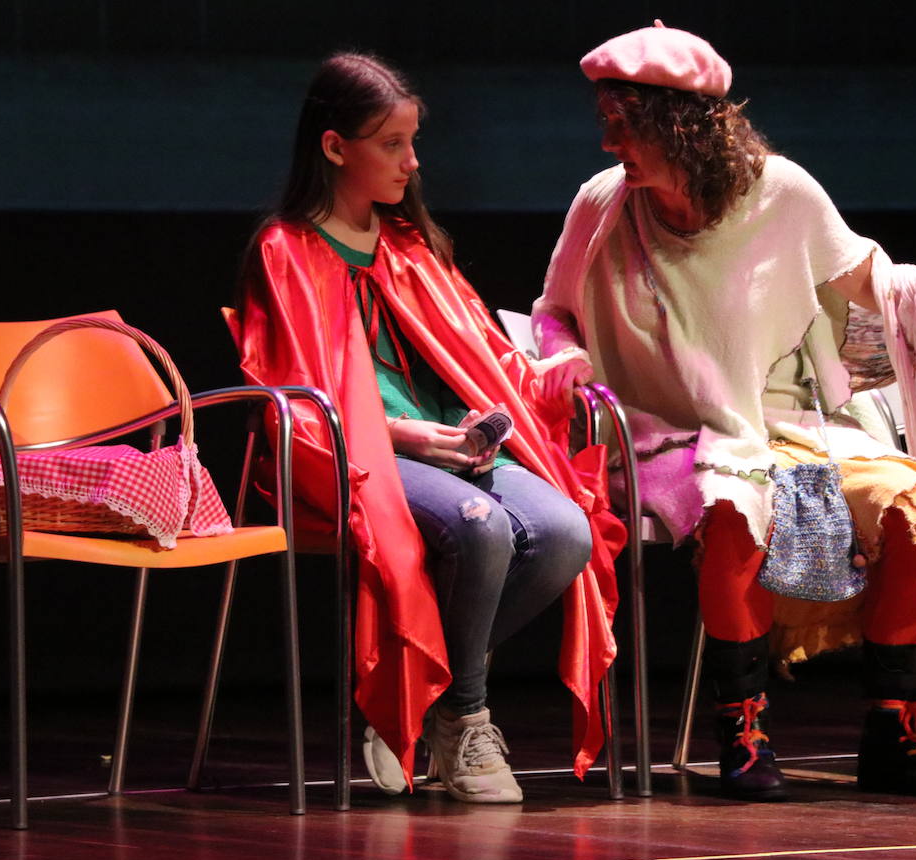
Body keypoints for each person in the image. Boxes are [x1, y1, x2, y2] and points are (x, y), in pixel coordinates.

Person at [533, 22, 916, 801]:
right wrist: (565, 360)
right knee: (733, 506)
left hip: (787, 425)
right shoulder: (603, 206)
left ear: (677, 127)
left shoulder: (782, 192)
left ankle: (895, 729)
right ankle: (743, 730)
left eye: (621, 128)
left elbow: (874, 281)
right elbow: (553, 314)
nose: (606, 147)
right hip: (664, 434)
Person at [228, 52, 624, 803]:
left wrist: (545, 375)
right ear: (334, 146)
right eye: (390, 143)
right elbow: (302, 393)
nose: (411, 162)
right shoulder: (286, 252)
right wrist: (410, 439)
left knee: (566, 533)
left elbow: (486, 356)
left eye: (414, 141)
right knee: (483, 527)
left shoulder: (413, 247)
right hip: (355, 454)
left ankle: (417, 692)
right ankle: (467, 715)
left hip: (455, 446)